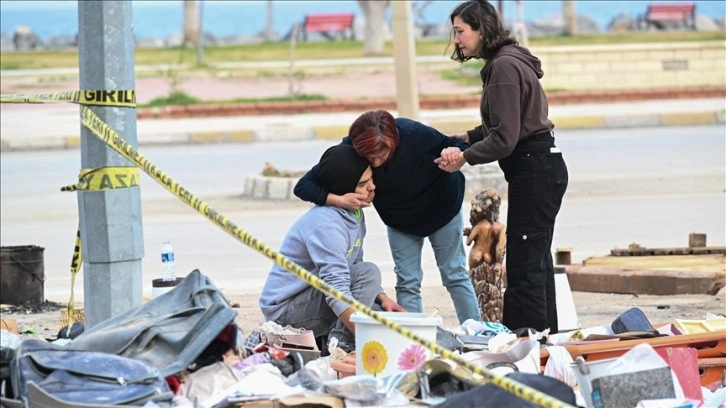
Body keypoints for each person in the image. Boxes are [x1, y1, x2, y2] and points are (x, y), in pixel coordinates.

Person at [437, 0, 569, 334]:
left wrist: (463, 157)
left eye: (461, 31)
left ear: (482, 28)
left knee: (524, 268)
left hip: (534, 167)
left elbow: (506, 138)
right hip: (540, 165)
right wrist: (467, 136)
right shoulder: (508, 61)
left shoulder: (504, 68)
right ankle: (544, 342)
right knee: (536, 261)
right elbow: (510, 124)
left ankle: (524, 346)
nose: (457, 40)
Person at [294, 110, 482, 324]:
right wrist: (340, 200)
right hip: (400, 220)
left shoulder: (414, 134)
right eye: (369, 157)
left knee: (454, 274)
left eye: (381, 156)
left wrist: (453, 152)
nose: (374, 162)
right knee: (407, 281)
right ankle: (412, 340)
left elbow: (461, 147)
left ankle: (475, 332)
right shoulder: (352, 148)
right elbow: (304, 186)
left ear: (393, 143)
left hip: (442, 208)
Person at [259, 144, 404, 352]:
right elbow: (336, 289)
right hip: (285, 312)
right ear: (343, 189)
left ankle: (342, 338)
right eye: (363, 184)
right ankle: (340, 346)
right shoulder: (326, 225)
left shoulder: (353, 213)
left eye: (371, 179)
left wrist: (382, 298)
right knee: (369, 276)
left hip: (313, 296)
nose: (372, 187)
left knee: (378, 311)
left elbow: (353, 263)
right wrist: (363, 336)